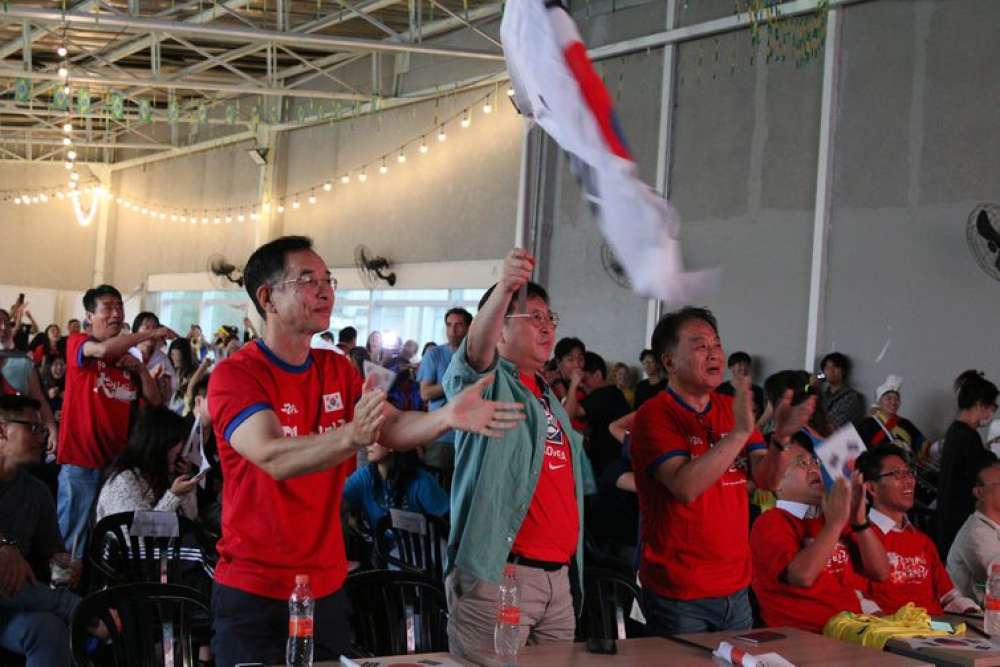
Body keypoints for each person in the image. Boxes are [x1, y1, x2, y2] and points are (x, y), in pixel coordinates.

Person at [205, 236, 522, 667]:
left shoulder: (336, 368)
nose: (325, 290)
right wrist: (352, 437)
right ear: (267, 298)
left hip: (326, 587)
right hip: (255, 590)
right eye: (307, 280)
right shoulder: (236, 374)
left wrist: (446, 417)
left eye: (328, 279)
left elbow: (389, 425)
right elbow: (272, 456)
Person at [442, 249, 591, 657]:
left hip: (557, 581)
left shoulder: (547, 394)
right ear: (500, 333)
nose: (546, 327)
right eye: (532, 318)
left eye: (549, 319)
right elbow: (472, 356)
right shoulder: (489, 383)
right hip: (501, 576)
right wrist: (506, 288)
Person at [631, 306, 796, 635]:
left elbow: (769, 480)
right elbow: (685, 486)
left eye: (717, 344)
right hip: (678, 592)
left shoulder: (729, 408)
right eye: (700, 345)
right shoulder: (655, 415)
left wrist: (781, 438)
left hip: (735, 588)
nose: (714, 354)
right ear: (668, 362)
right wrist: (738, 434)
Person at [56, 285, 173, 559]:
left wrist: (141, 369)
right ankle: (62, 595)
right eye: (107, 307)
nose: (116, 313)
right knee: (73, 540)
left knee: (106, 538)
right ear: (89, 316)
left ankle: (94, 594)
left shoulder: (127, 362)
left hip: (116, 467)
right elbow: (100, 350)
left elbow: (155, 401)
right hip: (81, 462)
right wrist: (149, 333)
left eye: (119, 307)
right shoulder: (79, 343)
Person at [750, 438, 886, 632]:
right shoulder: (771, 522)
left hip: (854, 630)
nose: (814, 468)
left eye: (815, 461)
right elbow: (802, 577)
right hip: (806, 639)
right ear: (776, 484)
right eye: (802, 463)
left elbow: (881, 572)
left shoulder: (831, 515)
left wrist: (859, 521)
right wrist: (834, 525)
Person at [0, 395, 81, 667]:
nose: (41, 438)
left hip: (12, 602)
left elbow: (53, 555)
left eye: (43, 430)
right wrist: (4, 545)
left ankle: (75, 609)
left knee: (47, 630)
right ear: (2, 430)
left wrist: (65, 566)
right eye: (32, 428)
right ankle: (77, 609)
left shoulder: (37, 492)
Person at [857, 444, 980, 615]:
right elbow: (857, 597)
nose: (909, 481)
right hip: (890, 633)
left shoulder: (923, 541)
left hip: (937, 630)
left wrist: (972, 612)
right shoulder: (859, 537)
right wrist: (886, 627)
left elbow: (949, 596)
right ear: (872, 488)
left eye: (909, 473)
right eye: (897, 474)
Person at [95, 407, 199, 522]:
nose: (181, 451)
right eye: (176, 450)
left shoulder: (162, 475)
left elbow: (191, 517)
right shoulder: (124, 481)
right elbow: (140, 534)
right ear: (161, 445)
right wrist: (173, 496)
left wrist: (187, 485)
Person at [935, 374, 999, 559]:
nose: (991, 414)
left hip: (951, 522)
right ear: (979, 404)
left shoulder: (958, 432)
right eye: (992, 407)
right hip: (959, 524)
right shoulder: (967, 437)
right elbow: (982, 474)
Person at [416, 308, 473, 477]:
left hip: (470, 435)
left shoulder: (477, 356)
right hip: (442, 436)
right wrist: (454, 384)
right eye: (449, 325)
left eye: (458, 325)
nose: (452, 331)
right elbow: (425, 393)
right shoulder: (435, 354)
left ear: (469, 327)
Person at [343, 443, 449, 531]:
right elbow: (339, 502)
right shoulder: (364, 476)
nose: (368, 444)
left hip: (421, 550)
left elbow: (448, 520)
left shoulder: (420, 481)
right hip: (382, 550)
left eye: (376, 439)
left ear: (392, 444)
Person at [0, 309, 59, 455]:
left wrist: (52, 429)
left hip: (15, 440)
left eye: (6, 323)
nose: (2, 327)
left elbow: (39, 398)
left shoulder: (23, 362)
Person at [947, 461, 1000, 602]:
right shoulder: (976, 532)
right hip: (969, 617)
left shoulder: (992, 527)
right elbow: (996, 578)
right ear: (979, 492)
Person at [579, 352, 631, 476]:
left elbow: (571, 412)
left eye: (584, 379)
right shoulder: (613, 393)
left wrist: (566, 384)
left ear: (597, 375)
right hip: (615, 463)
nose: (582, 384)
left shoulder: (604, 394)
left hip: (612, 466)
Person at [129, 311, 175, 404]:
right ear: (135, 331)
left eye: (155, 328)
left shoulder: (162, 359)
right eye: (147, 327)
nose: (152, 332)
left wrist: (164, 386)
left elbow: (170, 392)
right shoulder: (127, 354)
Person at [716, 351, 767, 427]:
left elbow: (761, 414)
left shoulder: (758, 390)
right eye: (739, 365)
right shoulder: (720, 389)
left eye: (746, 365)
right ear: (730, 367)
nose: (743, 368)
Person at [819, 352, 865, 430]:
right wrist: (810, 387)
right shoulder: (822, 394)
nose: (831, 371)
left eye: (835, 367)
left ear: (843, 371)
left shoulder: (851, 397)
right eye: (827, 368)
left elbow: (833, 423)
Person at [554, 337, 587, 432]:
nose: (577, 365)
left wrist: (573, 385)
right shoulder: (549, 388)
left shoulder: (585, 389)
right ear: (559, 363)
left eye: (580, 359)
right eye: (570, 359)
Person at [167, 338, 197, 415]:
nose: (172, 358)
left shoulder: (192, 375)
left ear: (184, 354)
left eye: (175, 354)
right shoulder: (169, 372)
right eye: (171, 354)